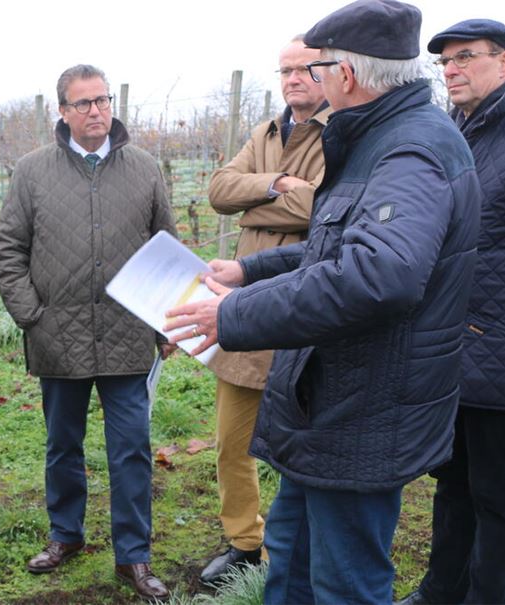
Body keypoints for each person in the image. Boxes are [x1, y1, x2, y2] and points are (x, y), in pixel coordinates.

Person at [165, 1, 482, 602]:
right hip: (328, 404)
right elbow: (334, 245)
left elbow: (377, 275)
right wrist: (248, 270)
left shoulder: (409, 152)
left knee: (344, 583)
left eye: (319, 68)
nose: (310, 80)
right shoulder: (375, 138)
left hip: (364, 407)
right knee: (291, 566)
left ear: (348, 74)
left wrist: (232, 315)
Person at [0, 64, 176, 601]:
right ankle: (66, 535)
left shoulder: (143, 167)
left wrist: (166, 319)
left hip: (126, 335)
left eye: (102, 101)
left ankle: (134, 557)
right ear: (63, 112)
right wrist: (33, 316)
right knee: (62, 445)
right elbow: (7, 250)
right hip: (59, 336)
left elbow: (165, 246)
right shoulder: (32, 171)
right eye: (83, 103)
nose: (96, 111)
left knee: (131, 448)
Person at [397, 19, 505, 605]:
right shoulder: (453, 135)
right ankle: (440, 590)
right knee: (452, 481)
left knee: (497, 491)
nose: (452, 69)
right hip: (449, 344)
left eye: (466, 57)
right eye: (444, 61)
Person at [199, 34, 330, 586]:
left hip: (307, 315)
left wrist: (259, 207)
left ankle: (306, 547)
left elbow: (326, 208)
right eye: (284, 71)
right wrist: (276, 184)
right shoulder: (266, 133)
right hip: (245, 311)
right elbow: (218, 190)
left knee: (308, 444)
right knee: (232, 440)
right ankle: (245, 544)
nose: (293, 79)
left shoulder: (341, 133)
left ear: (329, 73)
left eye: (303, 69)